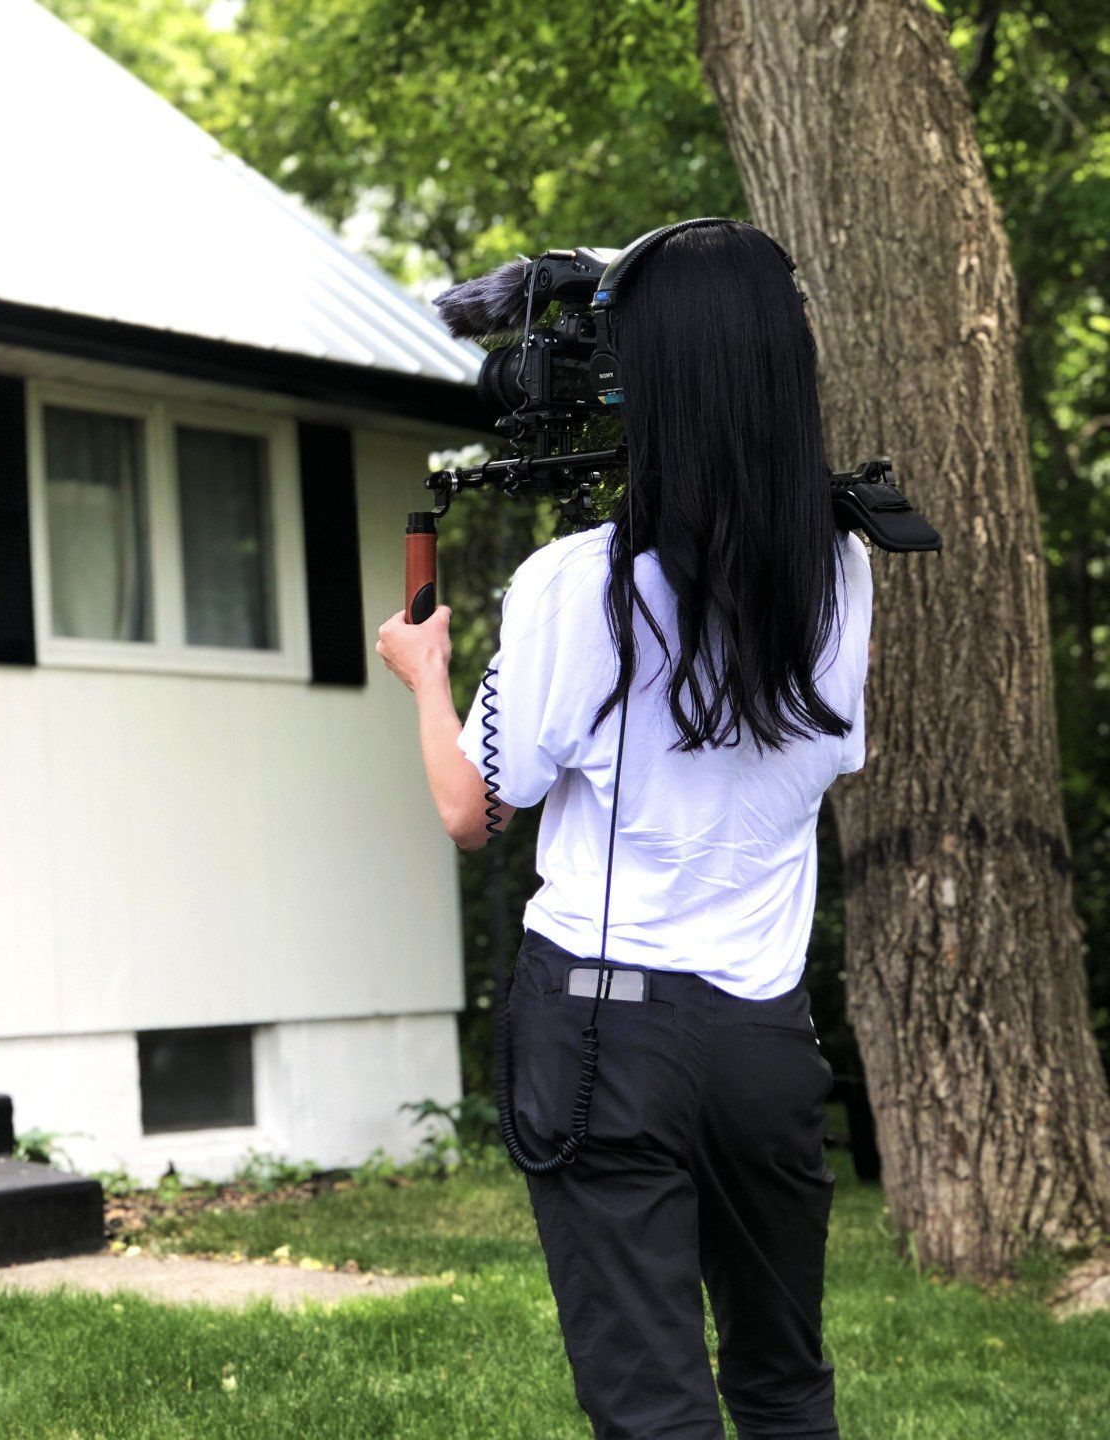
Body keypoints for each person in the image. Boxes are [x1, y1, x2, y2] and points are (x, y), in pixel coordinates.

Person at [375, 220, 870, 1440]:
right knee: (785, 1384)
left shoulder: (573, 588)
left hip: (608, 1037)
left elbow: (469, 809)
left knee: (653, 1409)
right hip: (766, 1043)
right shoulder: (846, 569)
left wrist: (426, 677)